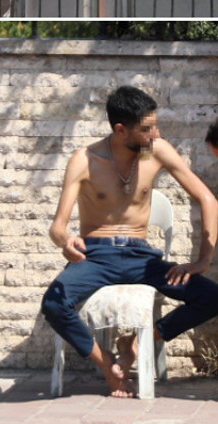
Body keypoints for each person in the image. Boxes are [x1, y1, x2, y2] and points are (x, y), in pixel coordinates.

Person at [41, 85, 218, 398]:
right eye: (146, 129)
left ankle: (134, 344)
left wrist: (203, 260)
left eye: (155, 126)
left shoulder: (158, 150)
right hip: (95, 256)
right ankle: (106, 364)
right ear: (120, 129)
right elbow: (57, 227)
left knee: (212, 297)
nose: (155, 134)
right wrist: (65, 241)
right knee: (53, 303)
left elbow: (207, 199)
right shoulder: (84, 160)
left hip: (142, 258)